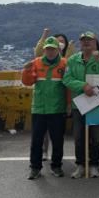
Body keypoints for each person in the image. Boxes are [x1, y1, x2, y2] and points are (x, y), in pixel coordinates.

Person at [22, 37, 71, 180]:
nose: (50, 52)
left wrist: (68, 104)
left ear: (58, 50)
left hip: (58, 108)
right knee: (36, 141)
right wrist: (26, 70)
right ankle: (35, 168)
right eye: (48, 49)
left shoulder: (64, 64)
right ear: (44, 50)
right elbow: (28, 82)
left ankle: (56, 166)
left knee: (58, 141)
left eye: (53, 49)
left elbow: (68, 86)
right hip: (39, 108)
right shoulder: (36, 63)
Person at [63, 31, 99, 179]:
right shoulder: (72, 60)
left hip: (96, 104)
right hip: (79, 105)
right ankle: (80, 165)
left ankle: (94, 164)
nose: (86, 42)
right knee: (78, 137)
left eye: (89, 40)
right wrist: (83, 86)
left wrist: (98, 62)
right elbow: (67, 79)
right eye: (83, 40)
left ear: (95, 43)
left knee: (96, 137)